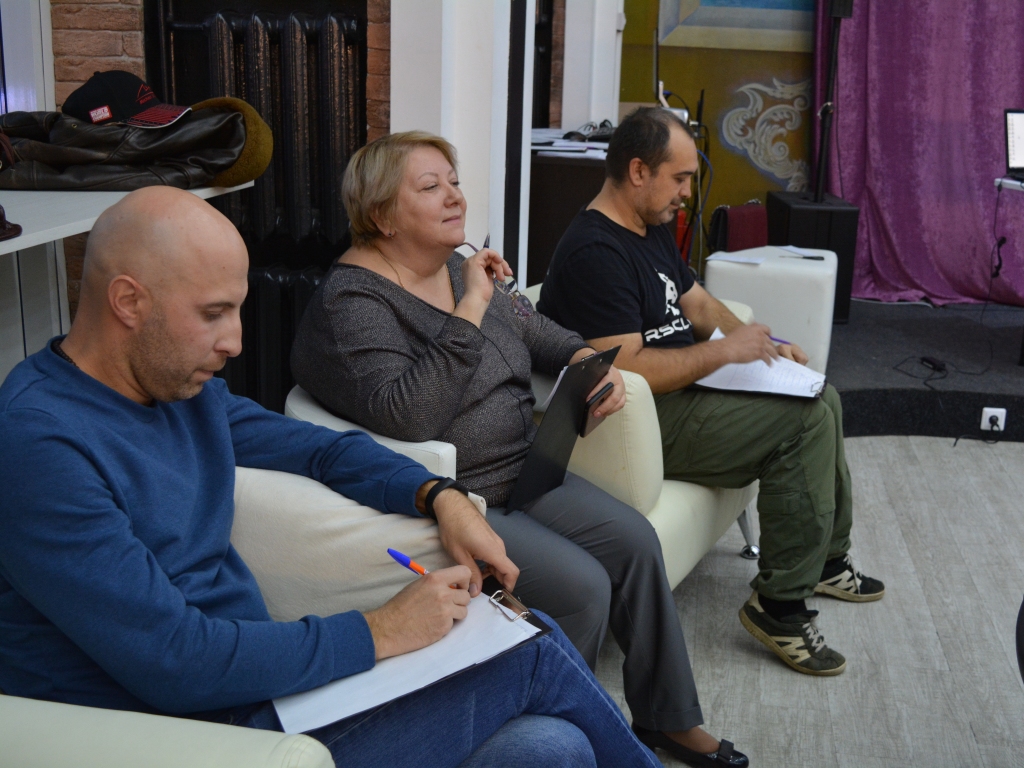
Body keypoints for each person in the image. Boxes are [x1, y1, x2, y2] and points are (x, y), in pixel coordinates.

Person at [0, 186, 663, 768]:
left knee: (554, 748)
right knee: (533, 651)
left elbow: (325, 452)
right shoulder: (41, 444)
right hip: (189, 738)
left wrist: (442, 495)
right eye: (212, 313)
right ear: (127, 301)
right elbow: (175, 660)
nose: (234, 342)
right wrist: (382, 631)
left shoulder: (179, 393)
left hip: (262, 700)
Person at [291, 131, 750, 768]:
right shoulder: (353, 303)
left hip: (527, 471)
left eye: (454, 181)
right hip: (455, 499)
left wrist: (590, 362)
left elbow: (541, 331)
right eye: (431, 187)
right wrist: (472, 307)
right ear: (381, 215)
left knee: (636, 543)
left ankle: (668, 719)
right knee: (583, 588)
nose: (455, 196)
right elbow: (410, 414)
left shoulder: (454, 266)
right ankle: (555, 733)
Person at [538, 107, 885, 677]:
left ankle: (824, 560)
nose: (687, 193)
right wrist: (725, 353)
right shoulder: (594, 253)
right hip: (646, 419)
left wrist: (765, 344)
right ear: (638, 171)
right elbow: (629, 371)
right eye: (679, 178)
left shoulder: (647, 227)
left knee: (822, 396)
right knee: (804, 423)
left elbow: (697, 303)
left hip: (688, 392)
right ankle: (779, 609)